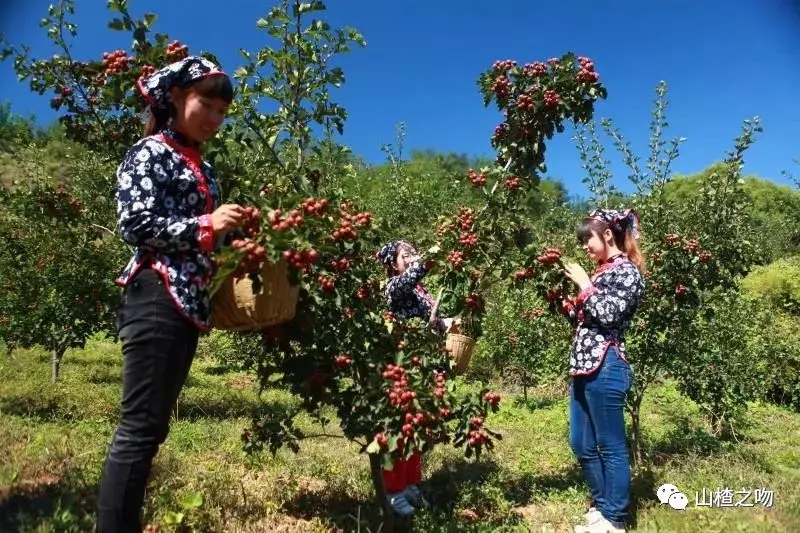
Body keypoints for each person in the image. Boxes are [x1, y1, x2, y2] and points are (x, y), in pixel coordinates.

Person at [96, 56, 250, 532]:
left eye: (222, 112)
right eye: (207, 103)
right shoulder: (149, 153)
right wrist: (208, 223)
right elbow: (136, 223)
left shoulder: (205, 168)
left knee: (151, 428)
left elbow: (208, 239)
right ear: (178, 97)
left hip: (187, 302)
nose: (214, 118)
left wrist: (238, 237)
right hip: (157, 292)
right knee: (140, 429)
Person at [560, 209, 645, 533]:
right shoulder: (600, 273)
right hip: (582, 367)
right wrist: (565, 304)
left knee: (610, 444)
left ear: (607, 235)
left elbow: (608, 316)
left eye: (588, 239)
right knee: (581, 443)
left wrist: (583, 283)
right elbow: (586, 319)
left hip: (607, 365)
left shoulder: (627, 272)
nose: (584, 246)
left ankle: (616, 518)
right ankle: (602, 504)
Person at [375, 240, 459, 517]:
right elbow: (409, 279)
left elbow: (428, 321)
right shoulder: (394, 286)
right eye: (405, 254)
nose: (411, 256)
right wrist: (428, 259)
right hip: (405, 365)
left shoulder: (421, 290)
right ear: (392, 263)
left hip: (426, 364)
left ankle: (411, 483)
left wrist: (446, 322)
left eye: (413, 252)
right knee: (398, 430)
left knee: (417, 427)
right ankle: (394, 491)